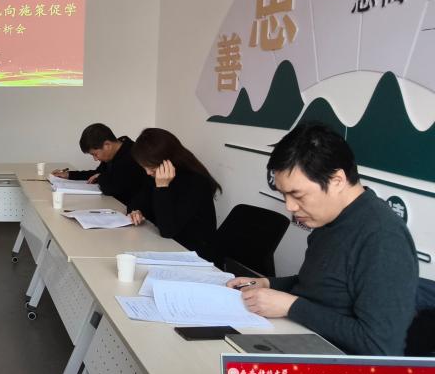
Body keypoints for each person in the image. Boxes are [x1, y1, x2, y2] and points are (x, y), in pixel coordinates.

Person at [228, 123, 417, 355]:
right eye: (284, 195)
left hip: (338, 364)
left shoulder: (382, 237)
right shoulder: (329, 218)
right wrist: (268, 284)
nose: (290, 206)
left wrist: (291, 306)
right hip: (301, 339)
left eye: (297, 195)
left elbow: (379, 345)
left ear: (337, 180)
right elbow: (320, 283)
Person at [129, 128, 220, 262]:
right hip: (165, 246)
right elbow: (137, 201)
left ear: (167, 161)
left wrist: (162, 187)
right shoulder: (155, 174)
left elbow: (168, 230)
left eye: (151, 168)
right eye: (144, 167)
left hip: (193, 255)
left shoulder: (195, 182)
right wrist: (136, 211)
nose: (148, 172)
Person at [53, 124, 150, 211]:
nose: (95, 159)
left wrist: (100, 177)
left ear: (107, 145)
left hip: (132, 212)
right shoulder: (114, 152)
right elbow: (97, 173)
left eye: (95, 154)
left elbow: (112, 188)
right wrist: (69, 174)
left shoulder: (131, 156)